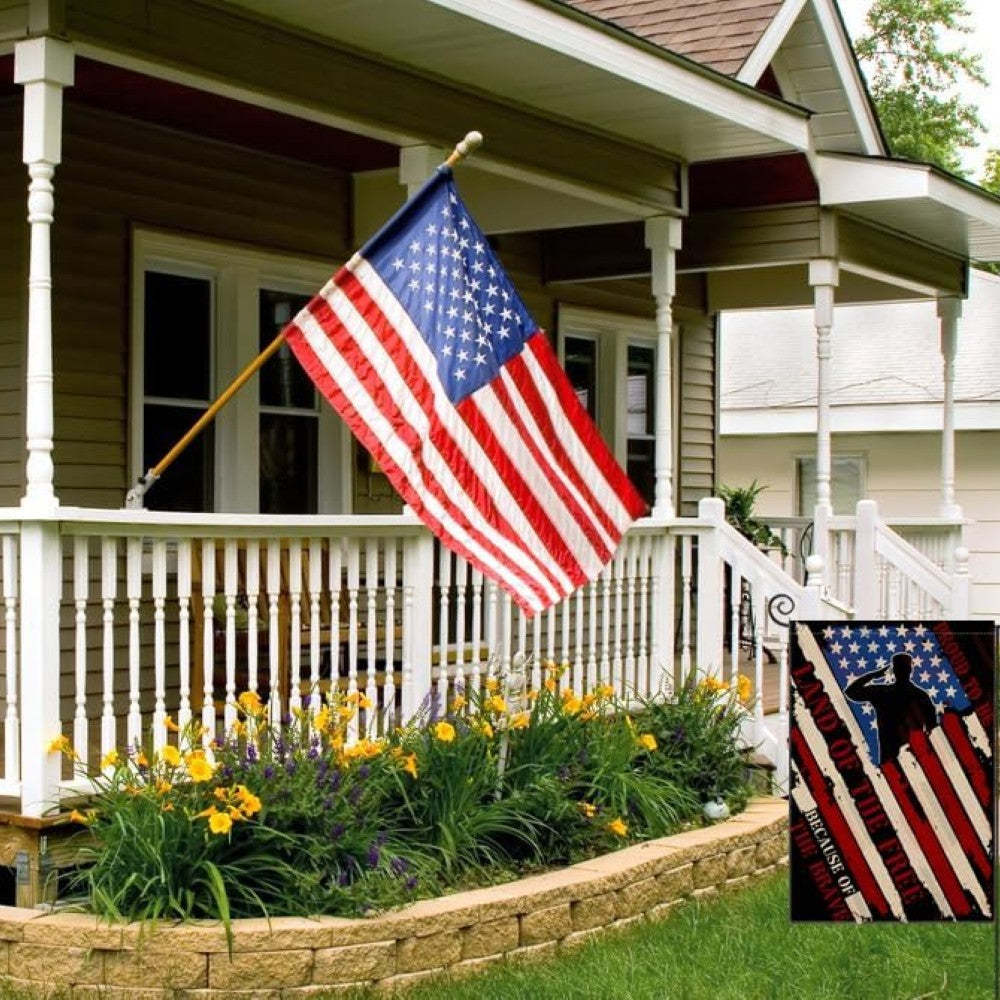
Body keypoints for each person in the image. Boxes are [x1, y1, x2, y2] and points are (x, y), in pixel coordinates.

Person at [844, 652, 936, 764]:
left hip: (901, 755)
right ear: (910, 670)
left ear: (894, 671)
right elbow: (933, 727)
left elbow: (851, 692)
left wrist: (875, 675)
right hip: (911, 756)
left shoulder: (883, 692)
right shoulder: (920, 695)